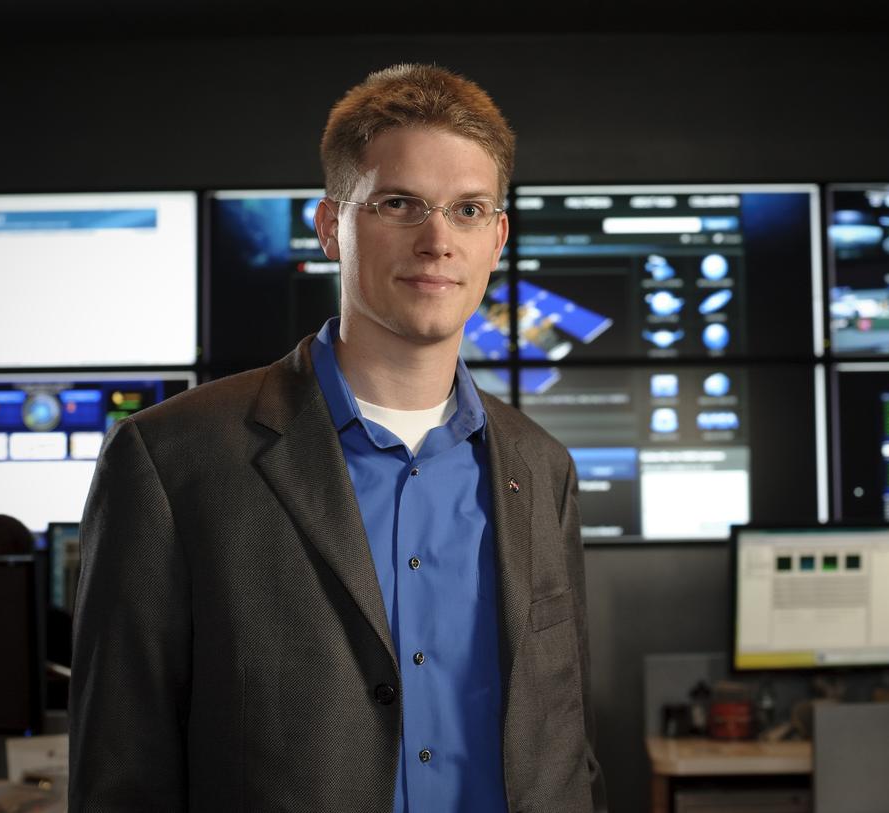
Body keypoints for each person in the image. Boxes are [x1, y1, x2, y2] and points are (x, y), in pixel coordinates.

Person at [70, 64, 606, 812]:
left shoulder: (541, 467)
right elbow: (122, 773)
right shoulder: (174, 459)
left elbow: (566, 744)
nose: (437, 240)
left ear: (498, 238)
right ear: (330, 227)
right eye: (399, 204)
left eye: (468, 210)